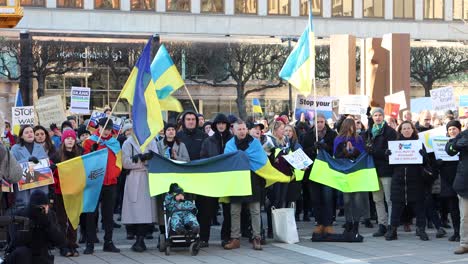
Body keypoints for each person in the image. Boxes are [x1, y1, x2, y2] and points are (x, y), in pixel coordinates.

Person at [224, 120, 265, 250]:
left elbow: (261, 159)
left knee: (255, 211)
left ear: (246, 129)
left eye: (243, 129)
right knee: (235, 211)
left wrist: (242, 157)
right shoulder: (230, 144)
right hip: (237, 180)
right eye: (239, 129)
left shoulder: (255, 143)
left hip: (253, 179)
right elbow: (227, 160)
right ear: (234, 131)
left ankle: (256, 237)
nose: (241, 131)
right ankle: (235, 238)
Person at [82, 117, 121, 254]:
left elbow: (119, 162)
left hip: (110, 183)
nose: (106, 131)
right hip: (94, 182)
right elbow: (84, 162)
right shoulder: (89, 142)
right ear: (98, 127)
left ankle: (108, 242)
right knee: (91, 213)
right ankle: (90, 243)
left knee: (108, 214)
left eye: (109, 129)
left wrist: (114, 174)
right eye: (104, 128)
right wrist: (91, 151)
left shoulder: (114, 143)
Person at [385, 121, 429, 241]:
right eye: (404, 128)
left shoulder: (418, 144)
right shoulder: (395, 144)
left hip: (415, 180)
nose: (406, 130)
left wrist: (424, 156)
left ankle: (421, 229)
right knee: (396, 206)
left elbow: (425, 163)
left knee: (419, 206)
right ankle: (393, 230)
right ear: (400, 131)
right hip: (399, 180)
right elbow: (389, 165)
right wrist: (387, 155)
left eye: (409, 128)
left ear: (413, 130)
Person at [300, 113, 337, 237]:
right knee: (316, 199)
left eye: (322, 122)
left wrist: (326, 147)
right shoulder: (307, 136)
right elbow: (303, 152)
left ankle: (328, 223)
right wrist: (312, 148)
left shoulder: (332, 135)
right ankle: (319, 223)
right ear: (313, 123)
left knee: (327, 198)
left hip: (327, 171)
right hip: (313, 171)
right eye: (317, 122)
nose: (320, 124)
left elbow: (335, 151)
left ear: (325, 122)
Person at [4, 190, 65, 264]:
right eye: (39, 208)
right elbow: (15, 242)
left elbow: (59, 241)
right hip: (20, 256)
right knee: (23, 252)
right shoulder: (20, 215)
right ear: (31, 207)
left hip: (40, 255)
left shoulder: (50, 215)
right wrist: (28, 224)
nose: (41, 211)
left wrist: (48, 224)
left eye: (44, 208)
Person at [121, 130, 157, 252]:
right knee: (134, 210)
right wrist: (139, 160)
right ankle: (136, 237)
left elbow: (156, 158)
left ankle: (141, 238)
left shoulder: (151, 141)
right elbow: (125, 163)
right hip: (133, 178)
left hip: (147, 177)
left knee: (146, 211)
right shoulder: (127, 143)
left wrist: (146, 159)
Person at [364, 107, 397, 237]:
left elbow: (390, 152)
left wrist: (374, 151)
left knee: (389, 199)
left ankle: (391, 225)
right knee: (377, 199)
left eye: (379, 115)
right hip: (373, 170)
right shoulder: (369, 132)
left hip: (386, 170)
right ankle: (381, 224)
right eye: (375, 115)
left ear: (383, 117)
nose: (377, 117)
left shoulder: (390, 132)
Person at [199, 114, 232, 247]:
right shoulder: (208, 141)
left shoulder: (232, 140)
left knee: (228, 211)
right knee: (207, 211)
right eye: (219, 123)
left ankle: (226, 237)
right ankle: (203, 238)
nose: (221, 125)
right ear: (215, 125)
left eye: (223, 123)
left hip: (228, 180)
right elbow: (203, 158)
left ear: (227, 125)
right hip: (212, 180)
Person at [156, 123, 190, 248]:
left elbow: (187, 160)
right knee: (163, 205)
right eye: (168, 130)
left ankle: (179, 229)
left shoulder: (181, 145)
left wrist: (177, 157)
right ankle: (163, 231)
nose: (171, 132)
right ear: (164, 132)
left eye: (173, 130)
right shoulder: (159, 145)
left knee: (178, 204)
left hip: (178, 179)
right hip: (164, 179)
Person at [333, 119, 367, 241]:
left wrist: (354, 151)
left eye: (352, 126)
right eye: (349, 127)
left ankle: (356, 225)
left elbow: (362, 155)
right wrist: (345, 151)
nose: (351, 129)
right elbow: (336, 156)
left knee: (357, 200)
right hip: (345, 172)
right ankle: (349, 223)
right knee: (347, 200)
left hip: (356, 173)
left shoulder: (359, 139)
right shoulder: (338, 139)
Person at [50, 129, 81, 257]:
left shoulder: (80, 154)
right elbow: (50, 174)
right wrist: (53, 170)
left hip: (75, 192)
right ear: (63, 140)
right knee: (62, 221)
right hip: (60, 192)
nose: (70, 140)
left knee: (73, 219)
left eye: (72, 138)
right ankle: (63, 246)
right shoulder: (56, 156)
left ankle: (72, 244)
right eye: (67, 138)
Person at [10, 126, 49, 209]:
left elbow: (45, 163)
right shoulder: (15, 148)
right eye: (26, 132)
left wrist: (49, 166)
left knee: (40, 211)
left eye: (31, 132)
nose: (30, 134)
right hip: (24, 189)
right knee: (26, 213)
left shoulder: (40, 147)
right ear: (21, 136)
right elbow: (11, 165)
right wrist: (27, 160)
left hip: (39, 187)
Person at [437, 120, 461, 242]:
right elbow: (437, 163)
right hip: (448, 180)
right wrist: (438, 163)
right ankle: (456, 232)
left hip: (461, 179)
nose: (452, 131)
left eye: (454, 128)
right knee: (453, 208)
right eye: (450, 129)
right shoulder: (442, 144)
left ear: (459, 129)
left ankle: (463, 232)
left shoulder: (463, 142)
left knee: (462, 208)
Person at [446, 123, 468, 254]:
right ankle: (465, 243)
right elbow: (449, 149)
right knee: (465, 216)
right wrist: (455, 144)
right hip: (465, 182)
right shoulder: (464, 134)